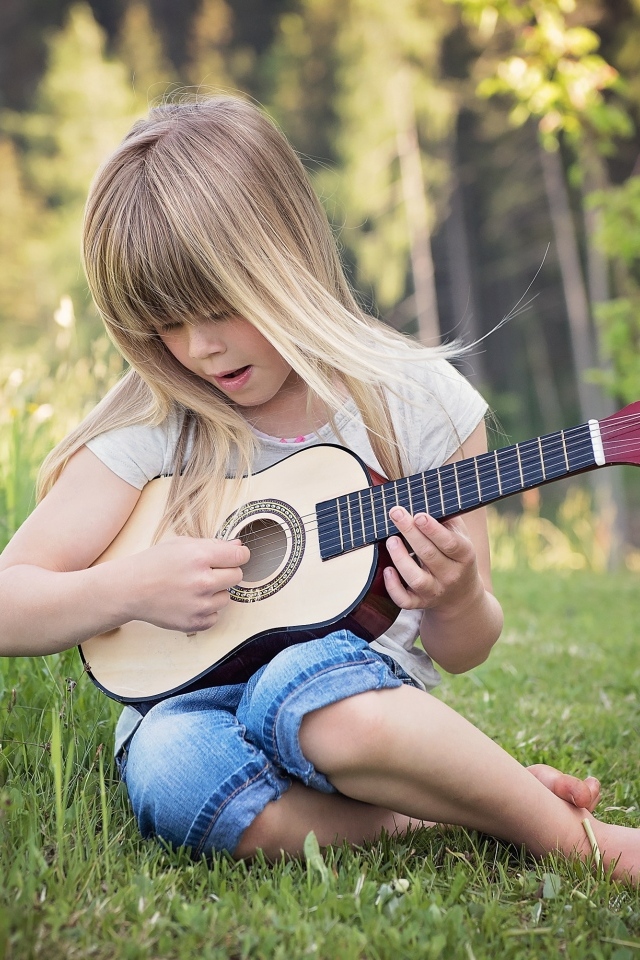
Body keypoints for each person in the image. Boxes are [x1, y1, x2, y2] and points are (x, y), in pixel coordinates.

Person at [0, 95, 637, 878]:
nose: (199, 348)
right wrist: (127, 588)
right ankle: (432, 810)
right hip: (187, 703)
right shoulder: (155, 423)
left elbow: (465, 650)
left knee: (308, 688)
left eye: (220, 308)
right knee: (167, 769)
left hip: (351, 697)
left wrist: (456, 598)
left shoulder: (417, 401)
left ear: (287, 256)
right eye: (165, 323)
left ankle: (580, 842)